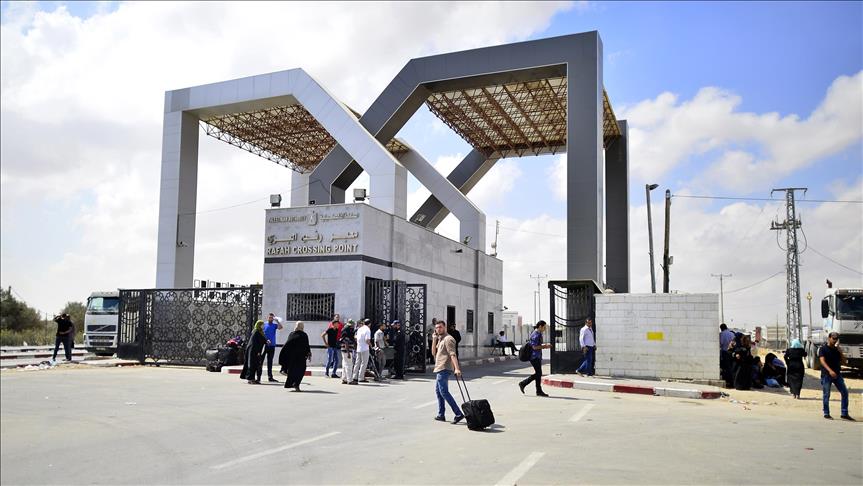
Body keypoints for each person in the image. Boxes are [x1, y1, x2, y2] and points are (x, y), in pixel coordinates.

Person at [432, 320, 464, 423]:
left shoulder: (448, 339)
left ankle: (458, 413)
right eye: (437, 327)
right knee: (439, 392)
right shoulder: (440, 339)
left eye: (440, 327)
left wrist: (457, 368)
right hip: (439, 368)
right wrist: (434, 339)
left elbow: (453, 354)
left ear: (444, 327)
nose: (438, 329)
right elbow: (433, 353)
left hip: (444, 368)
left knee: (444, 392)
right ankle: (441, 414)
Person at [819, 332, 853, 420]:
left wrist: (840, 352)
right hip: (826, 375)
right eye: (833, 338)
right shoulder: (823, 349)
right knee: (826, 394)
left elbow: (844, 361)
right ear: (829, 338)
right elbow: (822, 361)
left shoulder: (836, 350)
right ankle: (826, 413)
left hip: (837, 374)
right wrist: (830, 371)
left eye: (836, 339)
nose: (835, 340)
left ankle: (844, 413)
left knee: (844, 392)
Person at [519, 321, 552, 396]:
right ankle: (523, 383)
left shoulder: (537, 333)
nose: (545, 329)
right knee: (538, 373)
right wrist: (545, 346)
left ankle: (538, 391)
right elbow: (534, 347)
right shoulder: (536, 334)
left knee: (538, 374)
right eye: (544, 327)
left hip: (537, 356)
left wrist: (544, 346)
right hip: (534, 357)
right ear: (540, 326)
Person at [281, 321, 311, 392]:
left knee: (292, 371)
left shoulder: (292, 334)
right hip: (301, 356)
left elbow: (287, 344)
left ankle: (293, 384)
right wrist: (308, 353)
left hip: (293, 357)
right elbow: (306, 346)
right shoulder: (304, 335)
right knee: (301, 371)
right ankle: (296, 384)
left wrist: (285, 354)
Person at [240, 320, 267, 384]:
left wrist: (266, 341)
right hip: (253, 351)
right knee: (251, 364)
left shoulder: (260, 332)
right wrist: (258, 351)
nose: (263, 326)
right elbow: (255, 343)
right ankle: (250, 379)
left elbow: (262, 340)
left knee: (256, 365)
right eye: (262, 325)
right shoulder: (256, 332)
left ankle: (254, 379)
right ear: (259, 325)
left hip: (255, 351)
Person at [262, 313, 283, 383]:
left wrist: (277, 321)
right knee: (260, 361)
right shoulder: (264, 324)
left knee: (270, 361)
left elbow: (281, 327)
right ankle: (258, 376)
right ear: (268, 317)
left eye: (272, 317)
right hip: (264, 345)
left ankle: (270, 377)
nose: (270, 318)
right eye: (270, 317)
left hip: (272, 345)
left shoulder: (274, 325)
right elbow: (261, 332)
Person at [351, 319, 373, 384]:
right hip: (365, 348)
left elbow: (355, 338)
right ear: (369, 324)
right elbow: (367, 340)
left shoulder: (359, 329)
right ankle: (361, 377)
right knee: (364, 363)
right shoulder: (367, 330)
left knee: (357, 363)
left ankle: (354, 376)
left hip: (359, 348)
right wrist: (371, 346)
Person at [339, 320, 357, 384]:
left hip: (344, 350)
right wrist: (348, 353)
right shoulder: (347, 333)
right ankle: (350, 380)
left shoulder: (344, 332)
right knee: (349, 365)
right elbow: (346, 343)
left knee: (344, 365)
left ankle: (344, 379)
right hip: (347, 351)